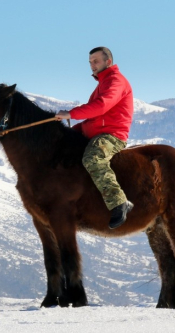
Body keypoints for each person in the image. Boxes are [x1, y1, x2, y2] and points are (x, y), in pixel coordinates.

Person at [56, 47, 134, 229]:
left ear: (108, 62)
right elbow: (94, 116)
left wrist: (71, 114)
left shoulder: (116, 81)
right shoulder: (102, 83)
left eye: (96, 61)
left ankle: (119, 203)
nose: (92, 65)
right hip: (94, 132)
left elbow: (101, 107)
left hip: (111, 135)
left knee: (93, 158)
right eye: (90, 62)